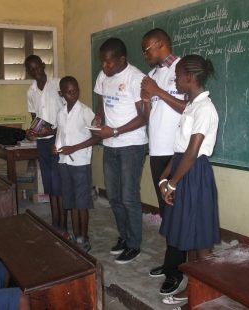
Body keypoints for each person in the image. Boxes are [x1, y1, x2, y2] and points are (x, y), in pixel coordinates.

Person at [158, 54, 220, 305]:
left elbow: (193, 153)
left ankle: (204, 289)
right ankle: (195, 286)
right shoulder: (191, 106)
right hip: (184, 169)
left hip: (195, 174)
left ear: (190, 78)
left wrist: (172, 182)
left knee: (200, 237)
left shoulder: (205, 109)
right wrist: (164, 177)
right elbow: (181, 149)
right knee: (191, 235)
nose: (175, 80)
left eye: (177, 77)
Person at [92, 37, 148, 264]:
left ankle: (134, 244)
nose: (104, 68)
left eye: (109, 63)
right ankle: (124, 237)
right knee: (114, 196)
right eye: (102, 63)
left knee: (128, 197)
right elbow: (101, 100)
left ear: (122, 59)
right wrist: (98, 116)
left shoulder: (136, 78)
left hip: (131, 145)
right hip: (111, 144)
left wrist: (114, 131)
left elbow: (144, 117)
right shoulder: (103, 75)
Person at [140, 28, 187, 296]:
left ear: (160, 44)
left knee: (176, 212)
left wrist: (157, 90)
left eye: (147, 49)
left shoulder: (182, 68)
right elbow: (150, 114)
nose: (144, 54)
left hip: (176, 152)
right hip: (156, 151)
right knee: (166, 213)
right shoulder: (153, 75)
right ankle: (172, 261)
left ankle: (176, 272)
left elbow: (187, 107)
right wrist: (147, 99)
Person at [53, 76, 100, 252]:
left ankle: (84, 237)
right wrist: (56, 148)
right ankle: (76, 235)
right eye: (69, 92)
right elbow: (60, 136)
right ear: (61, 94)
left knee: (82, 203)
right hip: (64, 163)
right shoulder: (61, 113)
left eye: (76, 90)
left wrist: (74, 148)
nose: (73, 94)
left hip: (80, 163)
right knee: (71, 202)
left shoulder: (85, 112)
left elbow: (96, 137)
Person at [25, 55, 65, 234]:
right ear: (29, 72)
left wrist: (52, 131)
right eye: (31, 70)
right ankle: (55, 222)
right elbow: (35, 120)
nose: (36, 72)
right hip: (42, 143)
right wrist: (32, 131)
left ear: (43, 65)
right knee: (49, 184)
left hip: (58, 140)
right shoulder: (31, 91)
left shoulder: (58, 85)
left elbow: (67, 113)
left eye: (37, 67)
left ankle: (62, 224)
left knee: (59, 184)